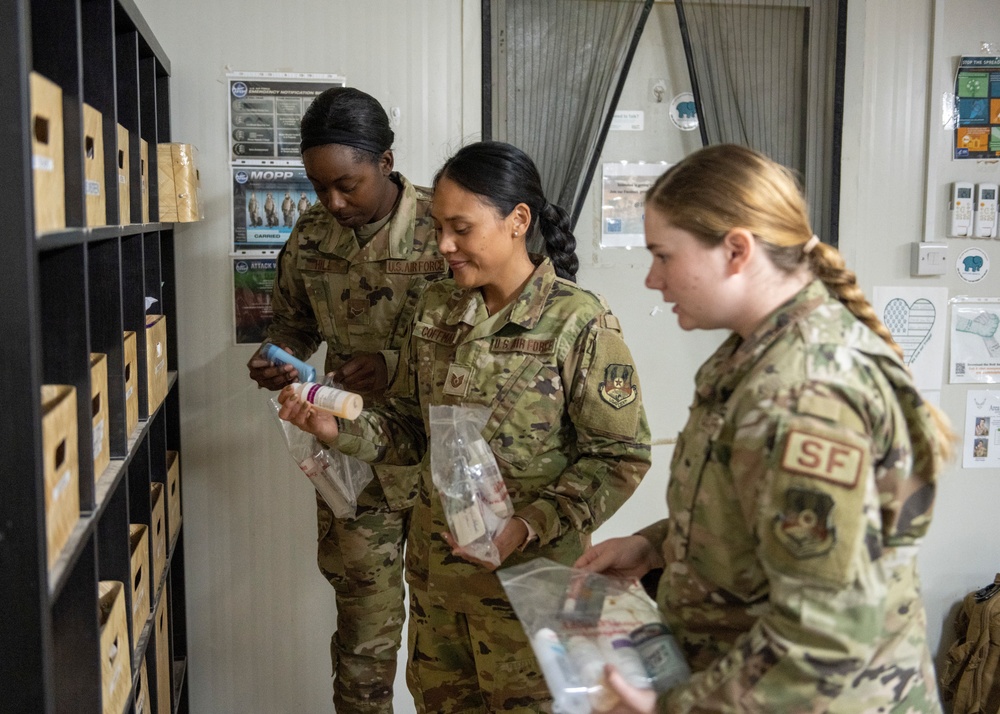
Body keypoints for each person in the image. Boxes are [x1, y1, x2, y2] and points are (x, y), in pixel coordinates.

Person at [576, 144, 955, 714]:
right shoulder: (756, 357)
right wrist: (656, 546)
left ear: (736, 250)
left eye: (663, 255)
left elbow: (825, 635)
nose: (652, 279)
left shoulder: (803, 394)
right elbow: (761, 513)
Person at [277, 140, 652, 712]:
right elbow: (410, 427)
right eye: (438, 227)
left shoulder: (578, 323)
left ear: (516, 221)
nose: (444, 246)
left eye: (461, 228)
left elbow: (619, 456)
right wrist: (339, 432)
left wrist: (526, 526)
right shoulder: (436, 311)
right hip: (438, 590)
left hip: (529, 594)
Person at [247, 87, 444, 713]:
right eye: (318, 188)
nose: (333, 202)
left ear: (385, 161)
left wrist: (391, 365)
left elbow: (492, 333)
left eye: (347, 184)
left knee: (455, 636)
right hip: (350, 455)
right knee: (365, 634)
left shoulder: (450, 227)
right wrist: (274, 353)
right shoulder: (311, 236)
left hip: (448, 453)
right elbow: (293, 321)